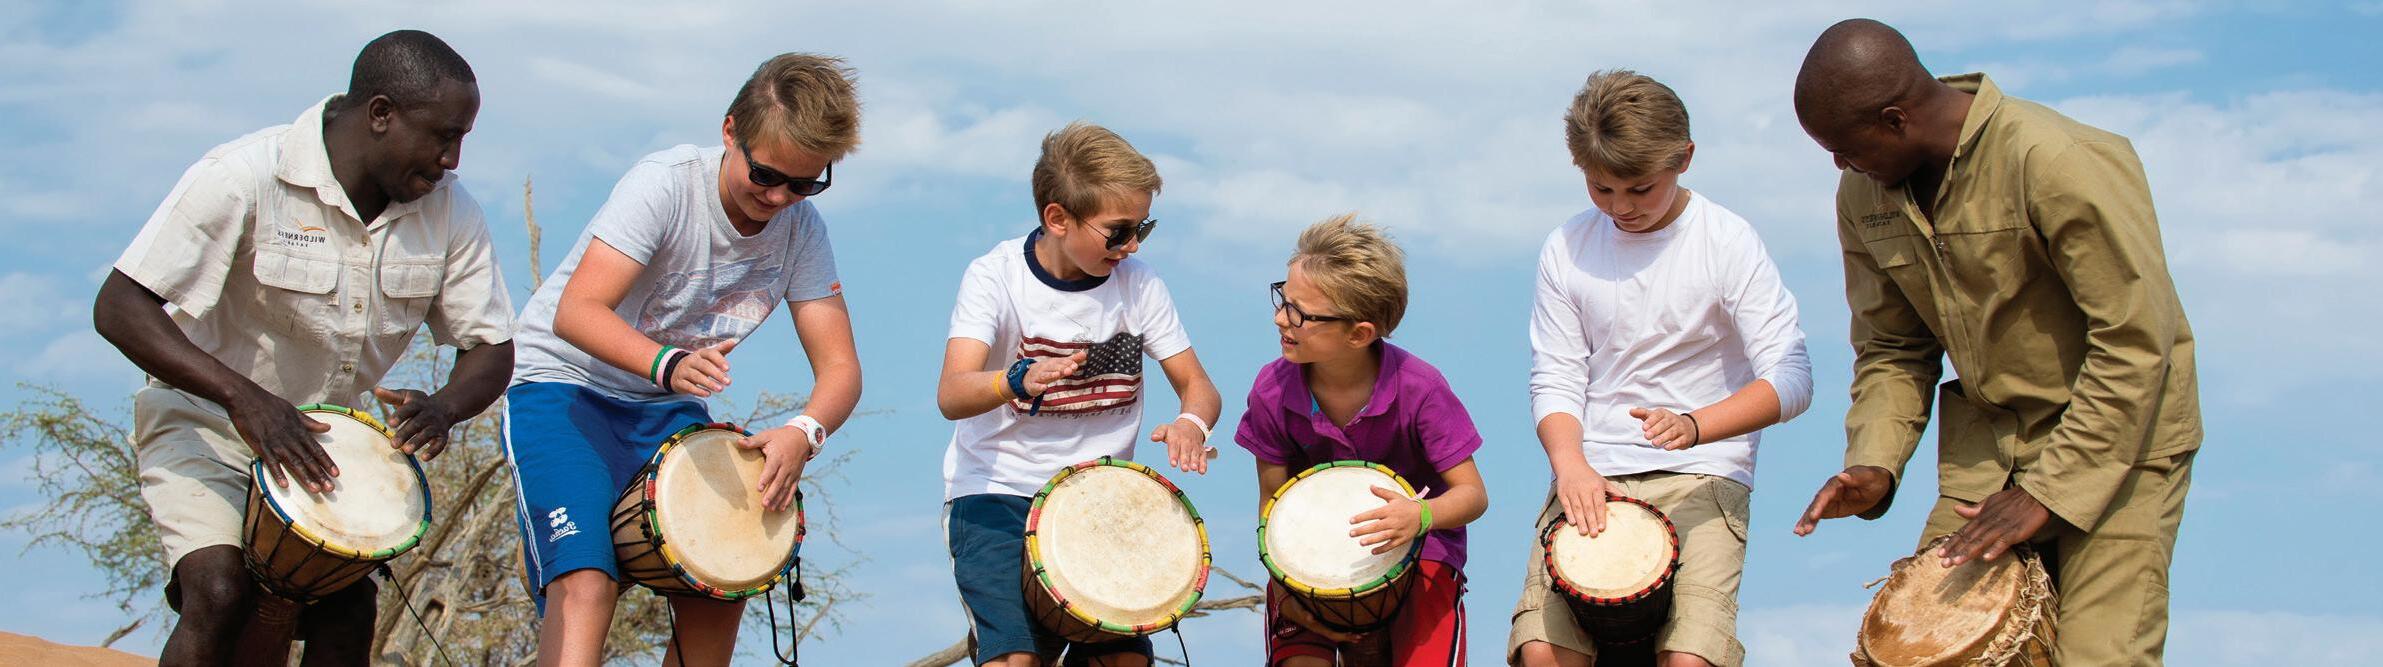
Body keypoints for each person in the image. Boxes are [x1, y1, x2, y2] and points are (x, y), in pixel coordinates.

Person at [93, 30, 514, 667]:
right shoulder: (243, 176)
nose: (451, 159)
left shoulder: (453, 213)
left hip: (323, 449)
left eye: (462, 140)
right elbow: (120, 306)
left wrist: (444, 407)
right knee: (219, 592)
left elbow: (491, 347)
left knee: (349, 614)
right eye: (442, 136)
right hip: (207, 423)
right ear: (381, 114)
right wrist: (243, 398)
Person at [1787, 19, 2200, 666]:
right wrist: (1874, 462)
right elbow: (1892, 347)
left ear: (1894, 119)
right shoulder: (1862, 192)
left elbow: (2134, 339)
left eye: (1844, 148)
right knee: (1917, 649)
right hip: (1988, 453)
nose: (1839, 165)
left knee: (2098, 655)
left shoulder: (2055, 159)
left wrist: (2047, 492)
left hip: (2121, 443)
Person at [501, 53, 864, 666]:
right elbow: (576, 312)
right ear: (730, 132)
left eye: (805, 184)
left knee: (729, 572)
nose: (779, 197)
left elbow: (842, 370)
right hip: (564, 386)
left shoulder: (803, 231)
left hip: (665, 406)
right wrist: (667, 364)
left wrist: (804, 433)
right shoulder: (665, 183)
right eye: (766, 174)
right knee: (588, 583)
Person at [1508, 70, 1814, 667]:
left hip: (1705, 474)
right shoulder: (1566, 247)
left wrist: (1696, 425)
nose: (1620, 207)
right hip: (1593, 473)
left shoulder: (1727, 241)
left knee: (1690, 659)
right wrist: (1570, 465)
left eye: (1640, 189)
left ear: (1685, 159)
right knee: (1542, 652)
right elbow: (1556, 376)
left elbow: (1793, 377)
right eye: (1601, 188)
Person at [934, 121, 1222, 667]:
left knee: (1125, 661)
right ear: (1058, 218)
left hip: (1101, 502)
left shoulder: (1140, 284)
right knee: (1016, 660)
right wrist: (1013, 379)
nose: (1131, 246)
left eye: (1143, 229)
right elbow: (952, 392)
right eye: (1117, 232)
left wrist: (1192, 423)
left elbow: (1198, 386)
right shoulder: (995, 277)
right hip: (998, 494)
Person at [1236, 214, 1488, 666]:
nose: (1280, 318)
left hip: (1423, 553)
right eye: (1282, 299)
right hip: (1306, 562)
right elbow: (1271, 505)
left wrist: (1421, 515)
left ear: (1359, 334)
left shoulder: (1421, 388)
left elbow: (1473, 495)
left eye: (1299, 313)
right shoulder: (1271, 390)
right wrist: (1286, 591)